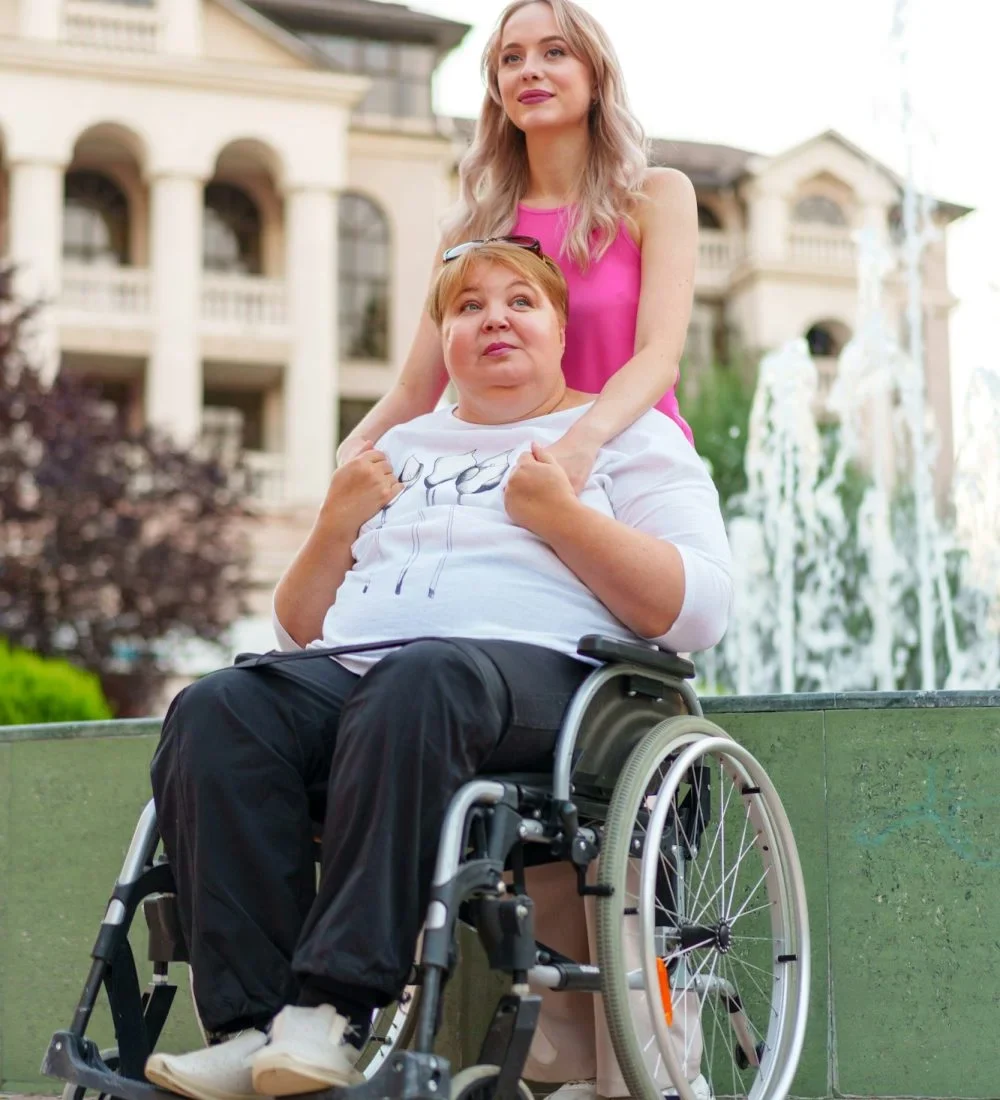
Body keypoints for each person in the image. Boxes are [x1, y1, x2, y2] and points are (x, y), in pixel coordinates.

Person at [144, 242, 730, 1100]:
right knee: (219, 709)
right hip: (372, 682)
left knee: (420, 679)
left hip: (547, 695)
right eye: (467, 307)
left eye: (520, 301)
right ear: (442, 339)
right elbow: (299, 631)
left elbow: (700, 608)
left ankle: (336, 1011)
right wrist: (334, 521)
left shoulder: (623, 435)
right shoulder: (397, 445)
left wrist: (562, 519)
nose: (493, 317)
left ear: (561, 328)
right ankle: (250, 1027)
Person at [338, 0, 698, 493]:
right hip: (511, 480)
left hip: (636, 465)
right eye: (512, 58)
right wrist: (350, 453)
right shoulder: (469, 230)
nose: (530, 70)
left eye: (554, 52)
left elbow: (659, 355)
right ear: (498, 88)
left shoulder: (656, 198)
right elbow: (417, 387)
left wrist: (582, 440)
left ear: (595, 79)